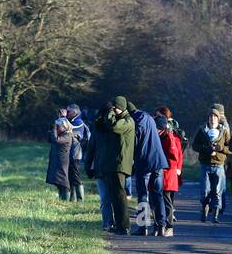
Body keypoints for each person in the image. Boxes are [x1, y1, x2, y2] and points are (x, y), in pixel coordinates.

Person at [94, 97, 136, 234]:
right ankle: (119, 225)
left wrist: (110, 113)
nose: (114, 110)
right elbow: (102, 127)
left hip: (120, 164)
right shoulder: (121, 119)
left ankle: (124, 226)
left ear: (122, 107)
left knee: (120, 196)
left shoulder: (127, 121)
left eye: (116, 107)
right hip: (114, 164)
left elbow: (114, 127)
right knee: (115, 197)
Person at [129, 102, 169, 237]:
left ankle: (143, 226)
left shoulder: (134, 123)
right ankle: (161, 226)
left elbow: (133, 144)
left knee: (143, 194)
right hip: (158, 160)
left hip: (144, 162)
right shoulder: (150, 118)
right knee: (158, 194)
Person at [191, 103, 232, 223]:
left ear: (218, 118)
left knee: (217, 192)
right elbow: (194, 146)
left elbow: (230, 148)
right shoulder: (202, 130)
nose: (212, 119)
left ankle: (215, 216)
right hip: (205, 165)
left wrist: (221, 149)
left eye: (215, 117)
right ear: (208, 118)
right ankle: (204, 208)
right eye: (211, 116)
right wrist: (205, 149)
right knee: (205, 191)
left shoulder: (224, 131)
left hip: (219, 165)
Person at [156, 113, 183, 236]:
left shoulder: (170, 139)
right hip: (164, 173)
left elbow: (174, 157)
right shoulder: (163, 137)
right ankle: (162, 225)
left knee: (167, 201)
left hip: (168, 174)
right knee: (162, 200)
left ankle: (169, 225)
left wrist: (162, 163)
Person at [45, 116, 78, 200]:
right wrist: (52, 128)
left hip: (62, 161)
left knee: (63, 181)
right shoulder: (62, 134)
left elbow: (56, 140)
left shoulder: (68, 135)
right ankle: (62, 199)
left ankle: (65, 200)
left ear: (64, 126)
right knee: (58, 182)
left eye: (58, 126)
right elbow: (49, 139)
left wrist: (54, 129)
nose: (57, 128)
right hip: (57, 160)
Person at [65, 104, 90, 201]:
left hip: (76, 154)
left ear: (74, 112)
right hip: (71, 153)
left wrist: (63, 121)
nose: (67, 113)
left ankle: (80, 199)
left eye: (68, 111)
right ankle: (73, 198)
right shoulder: (72, 121)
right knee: (71, 176)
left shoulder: (78, 122)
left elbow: (70, 132)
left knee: (76, 176)